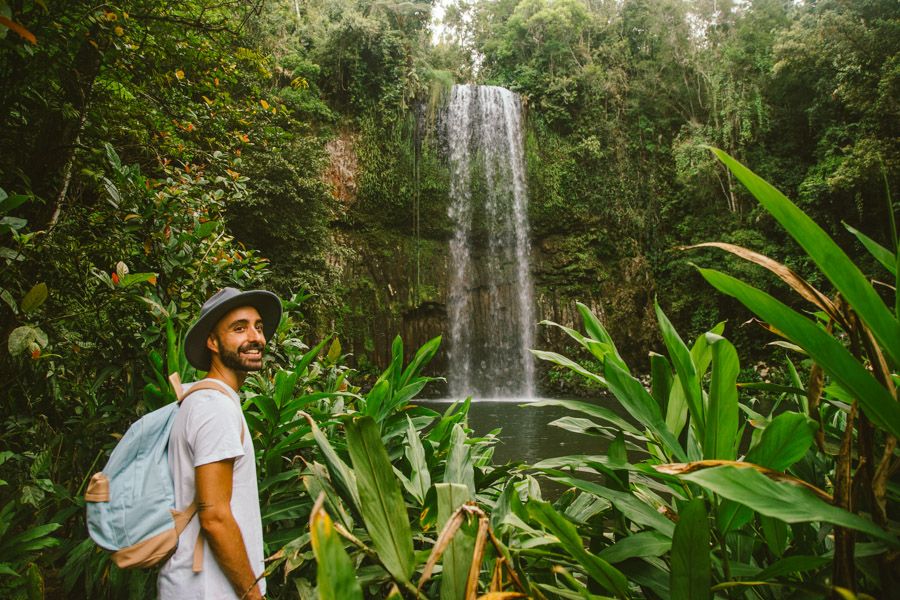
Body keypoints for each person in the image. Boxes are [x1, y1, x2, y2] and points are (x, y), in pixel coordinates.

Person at [158, 287, 282, 600]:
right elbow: (214, 517)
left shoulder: (199, 400)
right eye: (239, 328)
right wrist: (254, 596)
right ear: (212, 342)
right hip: (209, 590)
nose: (255, 337)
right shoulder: (215, 408)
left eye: (258, 326)